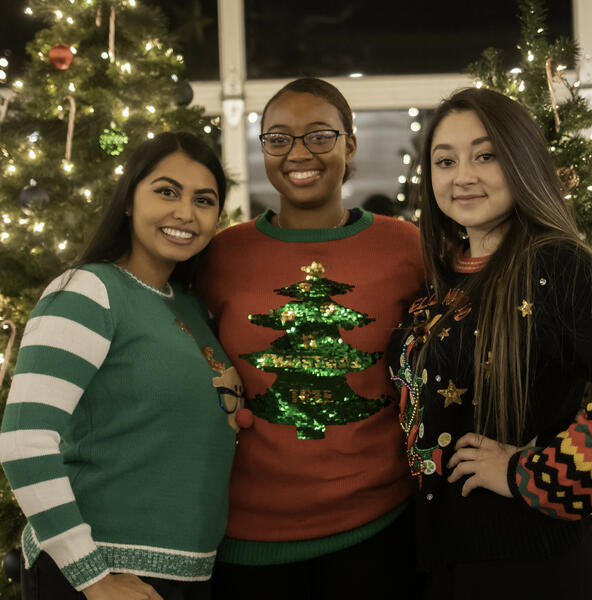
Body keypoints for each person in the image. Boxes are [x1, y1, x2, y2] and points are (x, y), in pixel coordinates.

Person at [198, 77, 424, 599]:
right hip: (247, 537)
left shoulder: (407, 247)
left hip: (378, 529)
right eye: (278, 138)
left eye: (319, 135)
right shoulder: (220, 254)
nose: (299, 152)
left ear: (349, 143)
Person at [0, 132, 243, 600]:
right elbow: (24, 441)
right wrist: (91, 575)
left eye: (204, 200)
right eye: (166, 191)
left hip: (187, 575)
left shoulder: (192, 308)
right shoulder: (87, 291)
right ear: (129, 200)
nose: (185, 213)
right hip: (100, 575)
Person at [387, 87, 592, 600]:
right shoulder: (444, 274)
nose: (463, 175)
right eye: (445, 160)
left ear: (522, 160)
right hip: (440, 554)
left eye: (486, 155)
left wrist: (528, 473)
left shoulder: (558, 266)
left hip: (527, 559)